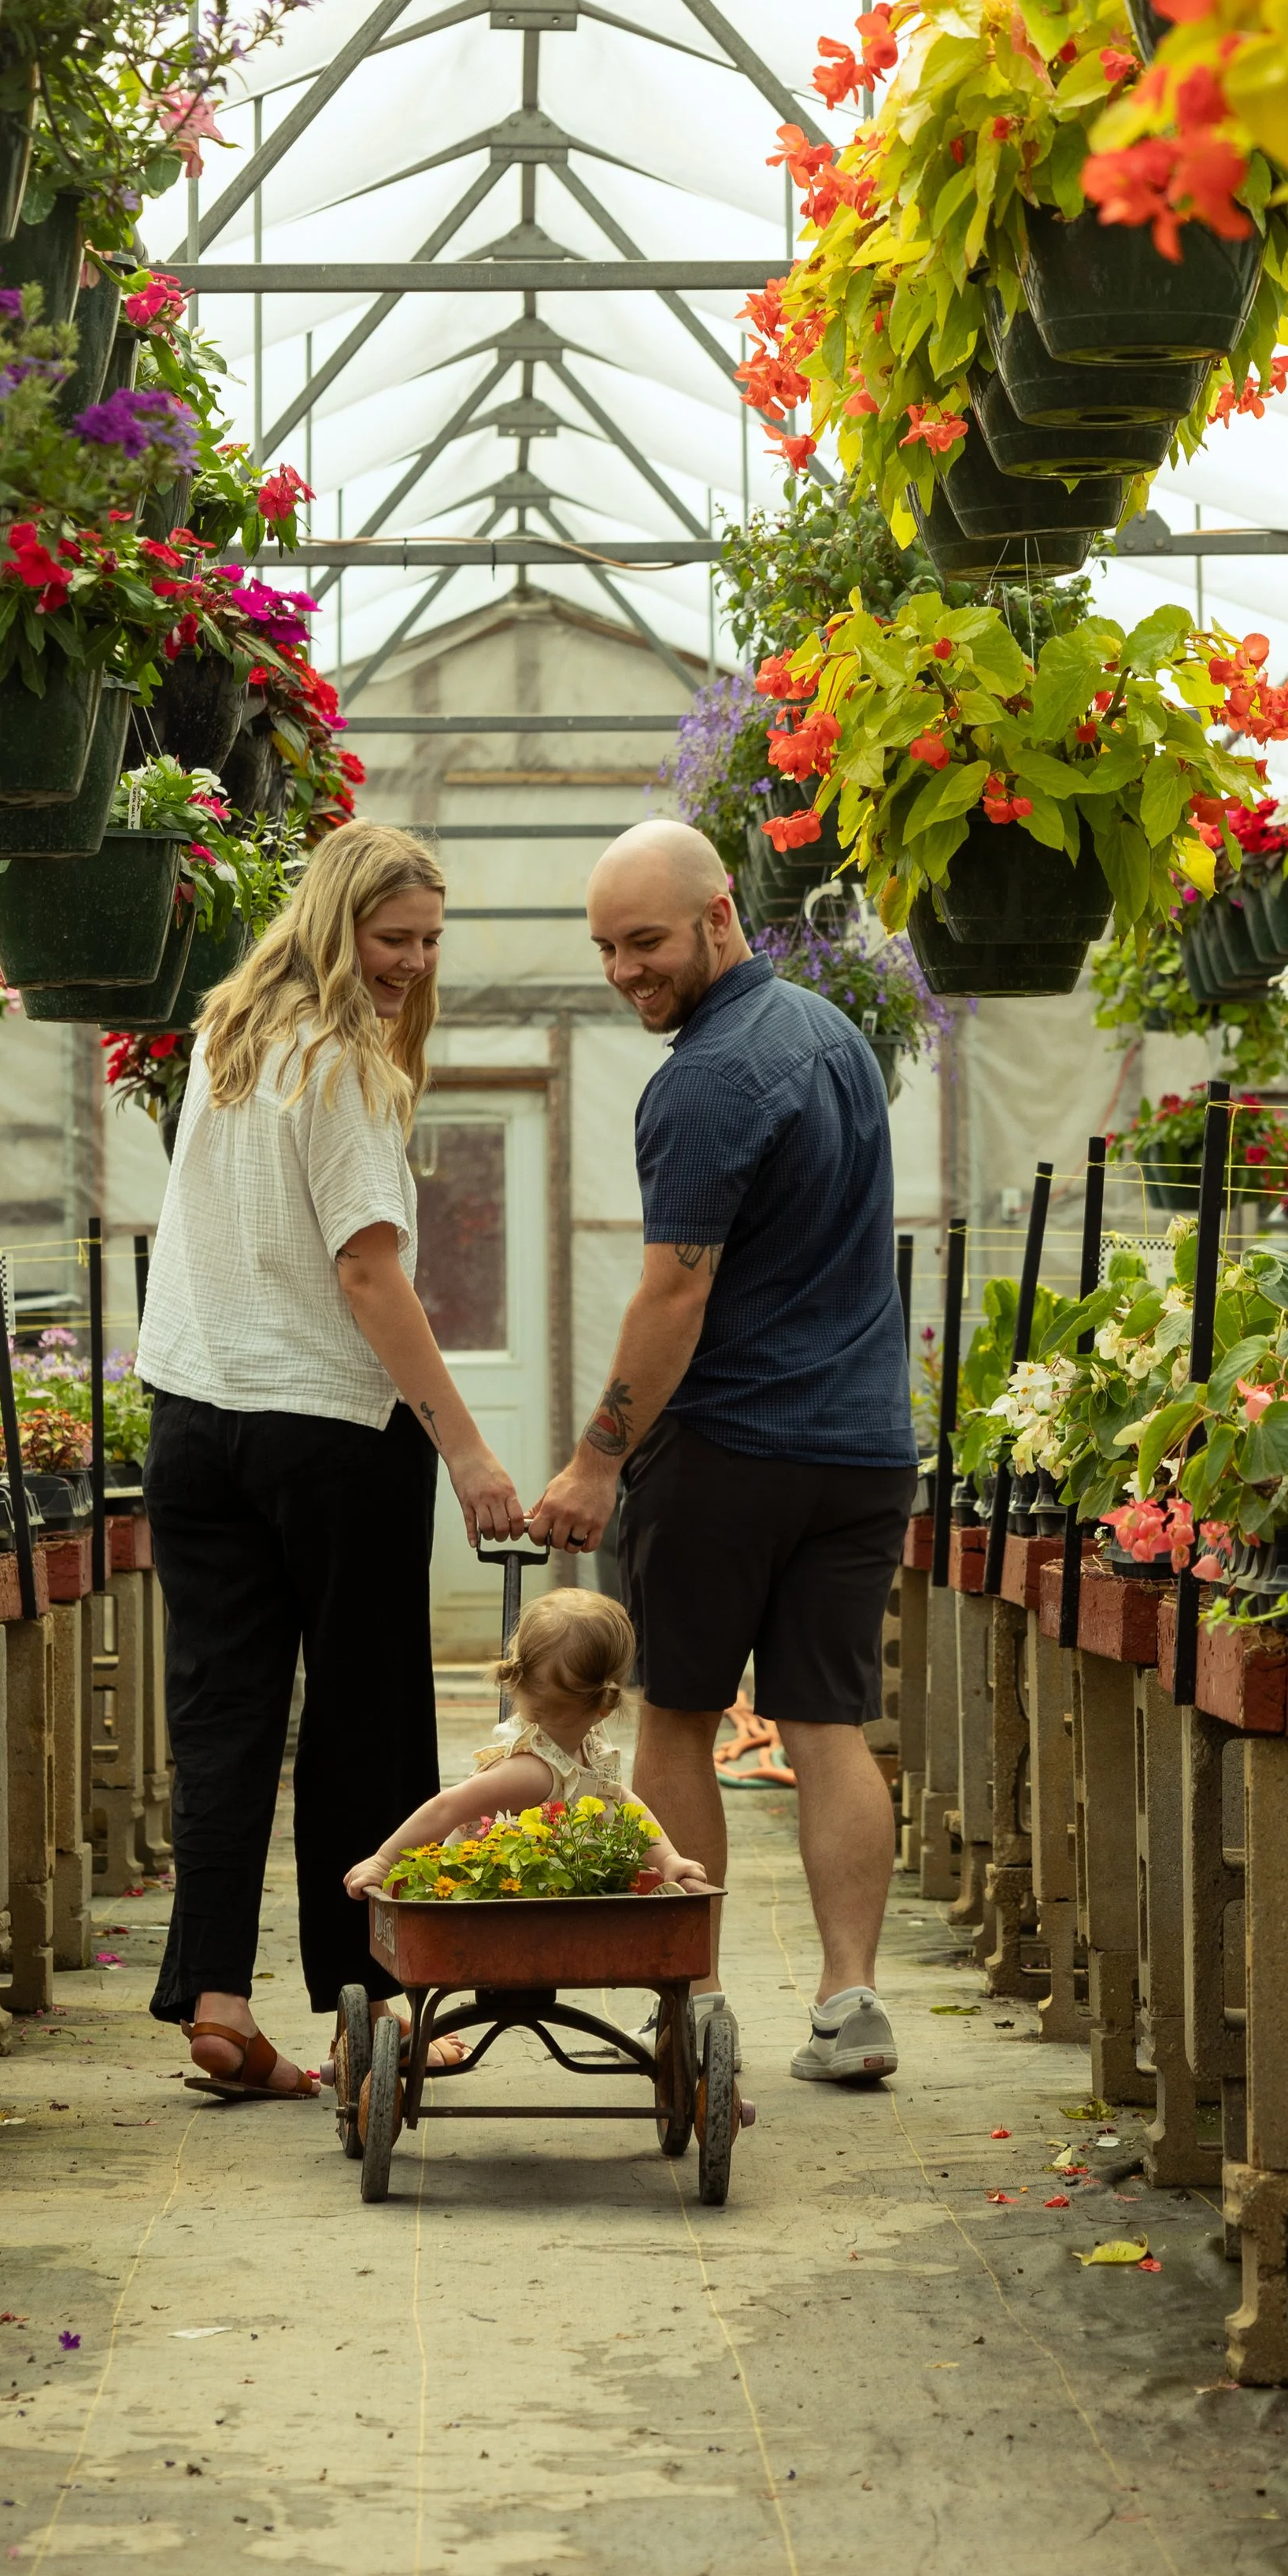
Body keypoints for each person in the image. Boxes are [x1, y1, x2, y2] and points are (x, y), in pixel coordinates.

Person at [135, 819, 525, 2101]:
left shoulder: (226, 1041)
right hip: (328, 1428)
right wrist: (465, 1449)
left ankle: (217, 1999)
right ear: (332, 918)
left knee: (226, 1711)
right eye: (391, 936)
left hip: (196, 1415)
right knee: (364, 1715)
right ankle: (382, 2007)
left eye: (427, 941)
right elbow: (369, 1271)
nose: (411, 963)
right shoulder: (345, 1059)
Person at [525, 820, 916, 2085]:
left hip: (733, 1449)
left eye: (646, 941)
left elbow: (673, 1296)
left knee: (680, 1718)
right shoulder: (834, 1036)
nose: (627, 969)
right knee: (828, 1721)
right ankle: (850, 1999)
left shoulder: (703, 1078)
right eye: (605, 947)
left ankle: (683, 1998)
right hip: (862, 1447)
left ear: (720, 914)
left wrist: (595, 1460)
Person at [343, 1590, 711, 1899]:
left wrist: (668, 1860)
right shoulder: (530, 1772)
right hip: (489, 1897)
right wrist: (382, 1861)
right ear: (607, 1704)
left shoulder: (590, 1747)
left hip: (540, 1894)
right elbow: (447, 1807)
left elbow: (622, 1802)